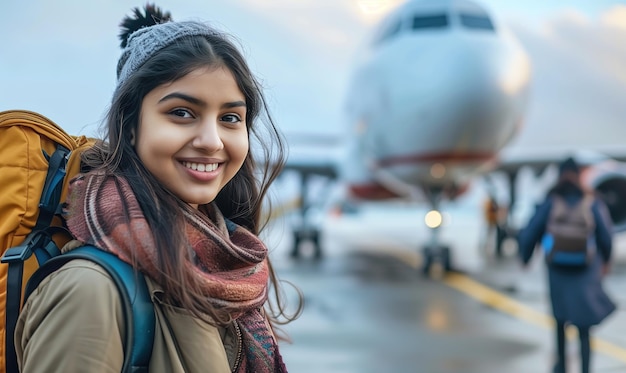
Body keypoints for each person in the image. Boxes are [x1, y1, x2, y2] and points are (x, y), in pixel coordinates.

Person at [15, 5, 302, 372]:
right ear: (131, 127)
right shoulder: (89, 292)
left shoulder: (230, 267)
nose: (212, 141)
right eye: (182, 112)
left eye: (230, 118)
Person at [517, 157, 615, 373]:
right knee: (584, 326)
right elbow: (606, 236)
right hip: (586, 271)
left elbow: (530, 232)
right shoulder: (591, 201)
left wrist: (525, 257)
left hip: (558, 270)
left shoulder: (551, 200)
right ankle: (586, 368)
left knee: (560, 322)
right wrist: (606, 261)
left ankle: (561, 366)